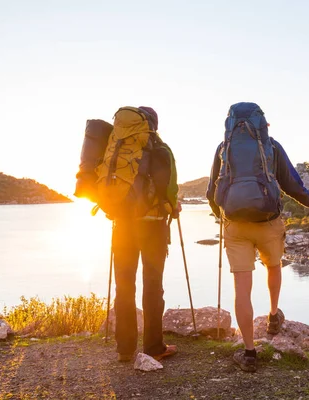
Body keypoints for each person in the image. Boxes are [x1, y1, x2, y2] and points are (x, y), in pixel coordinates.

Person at [206, 102, 309, 372]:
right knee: (273, 266)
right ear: (263, 124)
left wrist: (223, 216)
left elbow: (211, 192)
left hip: (235, 226)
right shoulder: (271, 146)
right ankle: (273, 315)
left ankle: (249, 352)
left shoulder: (223, 148)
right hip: (269, 222)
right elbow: (293, 185)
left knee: (242, 289)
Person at [111, 106, 181, 362]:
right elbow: (170, 189)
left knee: (124, 285)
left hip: (123, 226)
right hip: (153, 226)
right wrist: (173, 205)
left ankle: (125, 349)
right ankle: (154, 347)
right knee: (153, 286)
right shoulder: (161, 150)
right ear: (154, 125)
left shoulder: (118, 147)